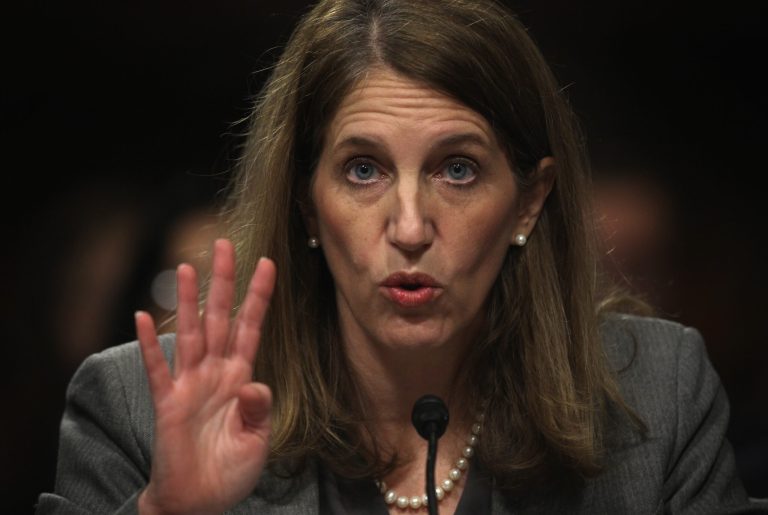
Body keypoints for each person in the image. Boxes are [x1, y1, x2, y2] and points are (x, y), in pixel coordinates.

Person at [36, 0, 768, 513]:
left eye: (458, 169)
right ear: (304, 201)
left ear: (529, 200)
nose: (411, 227)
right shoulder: (134, 409)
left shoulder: (660, 396)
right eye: (363, 170)